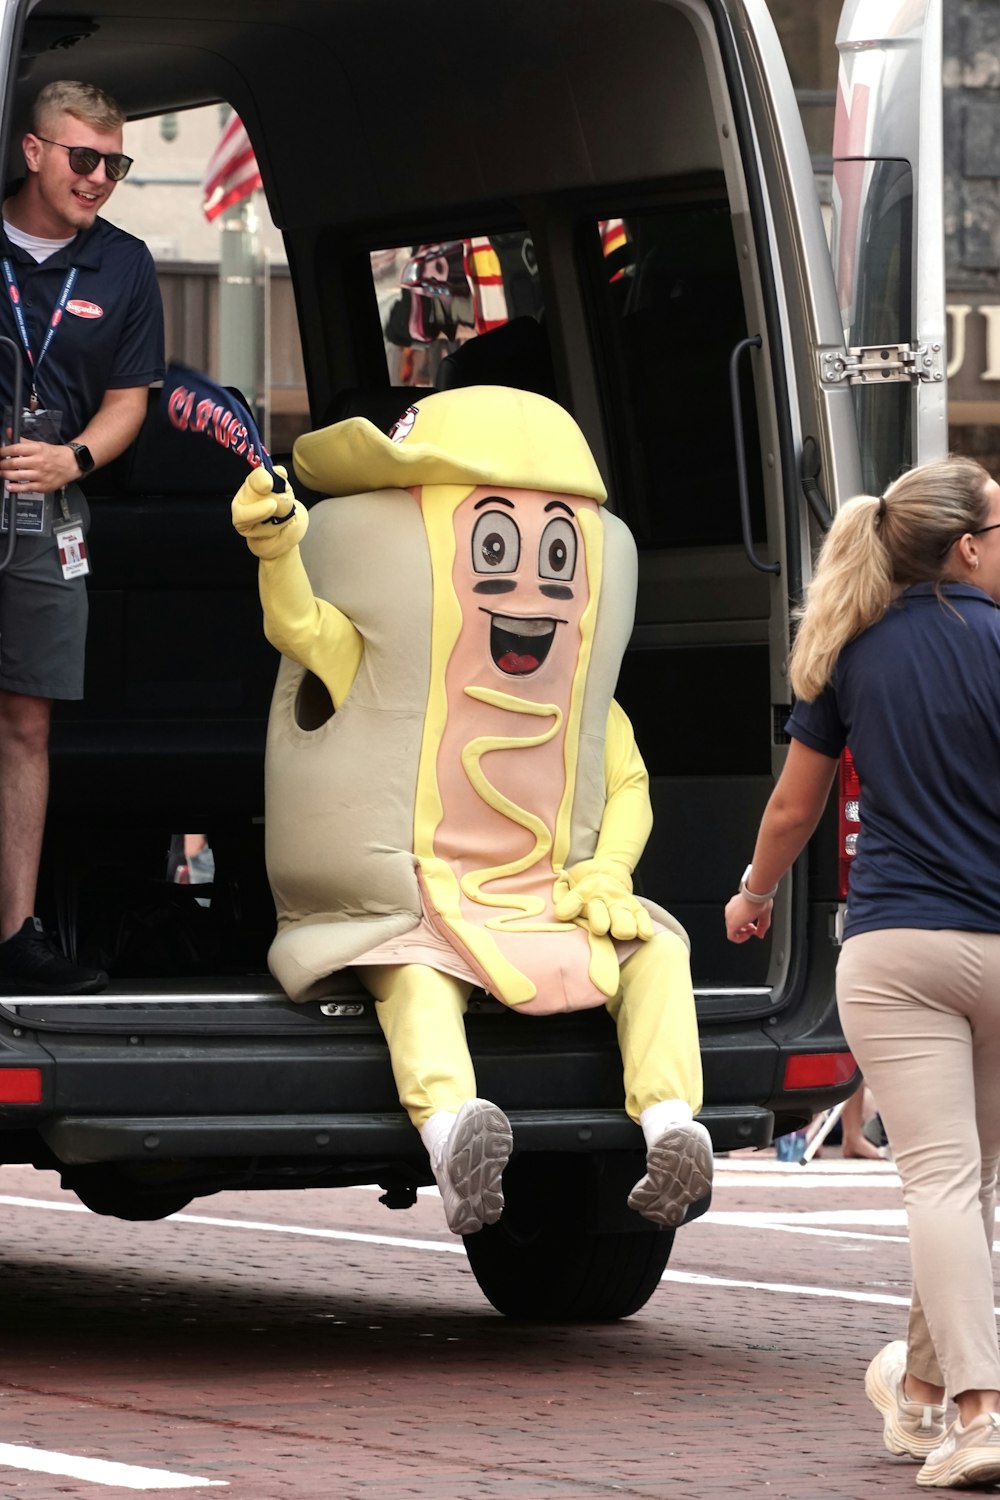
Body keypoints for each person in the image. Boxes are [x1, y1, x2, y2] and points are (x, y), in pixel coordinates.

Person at [231, 385, 711, 1237]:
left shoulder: (582, 696)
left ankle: (672, 1126)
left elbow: (628, 785)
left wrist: (609, 869)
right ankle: (454, 1135)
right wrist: (276, 548)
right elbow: (302, 626)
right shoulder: (386, 670)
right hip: (419, 900)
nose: (528, 592)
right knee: (414, 976)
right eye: (493, 548)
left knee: (657, 950)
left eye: (555, 556)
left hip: (546, 896)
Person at [724, 455, 1000, 1489]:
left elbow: (794, 810)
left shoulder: (852, 652)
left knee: (940, 1179)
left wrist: (752, 893)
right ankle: (940, 1403)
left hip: (897, 951)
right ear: (965, 548)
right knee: (968, 1181)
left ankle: (956, 1406)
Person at [0, 80, 164, 995]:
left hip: (45, 511)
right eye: (83, 159)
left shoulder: (126, 265)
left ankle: (16, 933)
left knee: (26, 722)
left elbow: (131, 399)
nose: (100, 178)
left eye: (116, 164)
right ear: (33, 151)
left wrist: (73, 459)